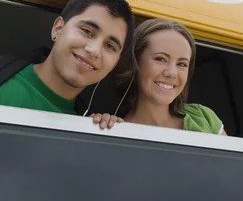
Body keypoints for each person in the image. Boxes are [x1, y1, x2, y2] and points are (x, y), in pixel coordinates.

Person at [0, 0, 134, 115]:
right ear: (58, 29)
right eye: (87, 31)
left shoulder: (87, 128)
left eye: (110, 46)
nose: (94, 50)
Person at [92, 18, 227, 134]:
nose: (172, 73)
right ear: (135, 61)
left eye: (182, 64)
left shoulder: (202, 117)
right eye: (161, 59)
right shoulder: (113, 129)